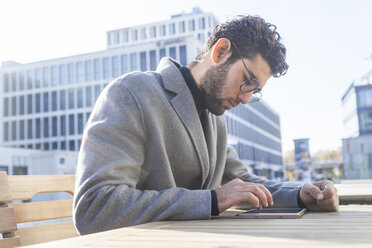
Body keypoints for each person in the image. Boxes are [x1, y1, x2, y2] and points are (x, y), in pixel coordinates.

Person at [73, 15, 339, 235]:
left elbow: (244, 182)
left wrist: (303, 194)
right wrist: (213, 200)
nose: (246, 99)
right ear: (221, 51)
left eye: (255, 91)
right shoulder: (131, 93)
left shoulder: (215, 119)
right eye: (247, 81)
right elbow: (95, 206)